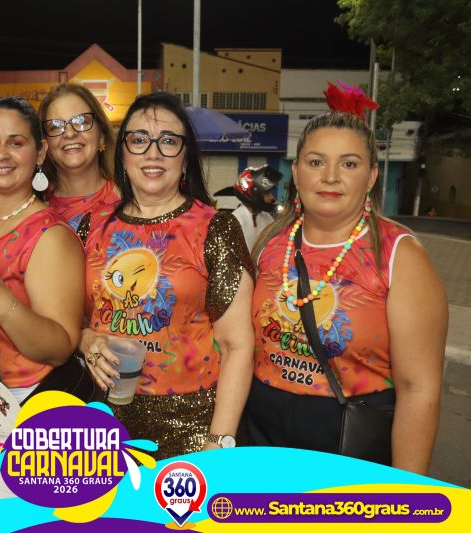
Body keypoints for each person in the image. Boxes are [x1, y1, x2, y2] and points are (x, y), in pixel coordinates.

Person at [246, 94, 447, 474]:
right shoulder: (269, 242)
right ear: (297, 172)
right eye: (316, 162)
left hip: (348, 446)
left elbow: (419, 391)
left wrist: (406, 495)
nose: (330, 177)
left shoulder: (399, 255)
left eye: (349, 164)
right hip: (260, 439)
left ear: (371, 176)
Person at [79, 92, 255, 459]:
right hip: (102, 423)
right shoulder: (92, 227)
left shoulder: (216, 228)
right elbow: (73, 321)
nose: (153, 153)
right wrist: (86, 340)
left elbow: (237, 345)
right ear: (123, 154)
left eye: (169, 141)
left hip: (191, 432)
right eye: (139, 139)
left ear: (186, 157)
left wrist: (219, 442)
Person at [0, 96, 85, 498]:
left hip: (30, 407)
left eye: (16, 142)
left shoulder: (50, 236)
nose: (2, 154)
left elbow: (59, 346)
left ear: (40, 153)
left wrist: (1, 305)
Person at [38, 83, 120, 242]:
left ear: (101, 135)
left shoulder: (130, 201)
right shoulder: (33, 208)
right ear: (45, 144)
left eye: (81, 121)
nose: (69, 133)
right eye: (55, 126)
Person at [232, 165, 281, 250]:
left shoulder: (267, 217)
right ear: (253, 195)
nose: (272, 197)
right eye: (267, 193)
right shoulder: (236, 221)